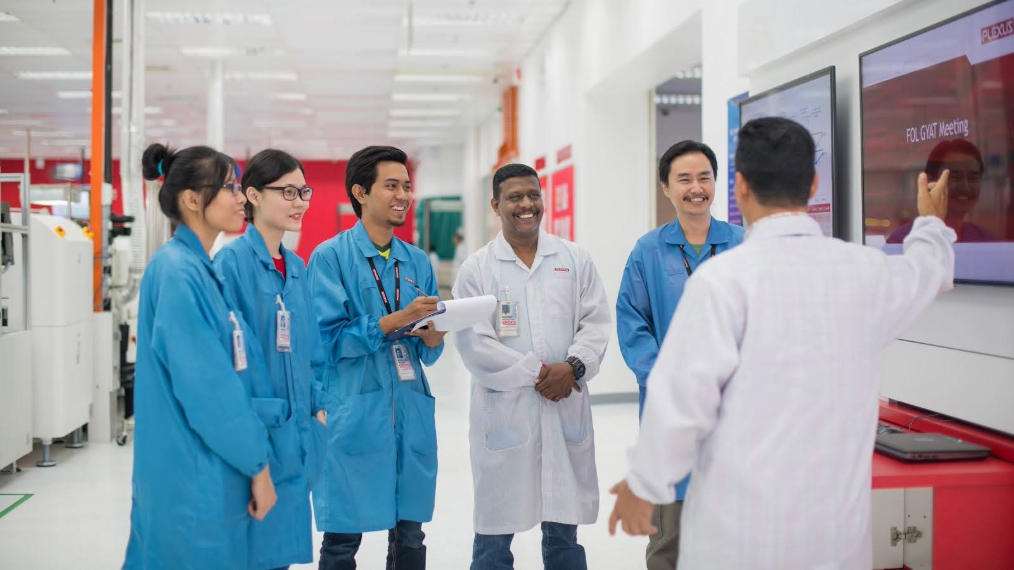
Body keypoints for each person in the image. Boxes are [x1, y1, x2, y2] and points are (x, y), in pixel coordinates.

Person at [608, 117, 955, 570]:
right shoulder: (867, 272)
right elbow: (927, 272)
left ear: (739, 187)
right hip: (834, 543)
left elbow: (680, 406)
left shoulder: (723, 280)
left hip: (738, 542)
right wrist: (930, 224)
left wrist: (644, 484)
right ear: (812, 183)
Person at [123, 144, 277, 569]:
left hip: (209, 467)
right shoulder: (177, 272)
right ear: (192, 200)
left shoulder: (200, 268)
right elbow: (210, 391)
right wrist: (258, 466)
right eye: (229, 187)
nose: (241, 196)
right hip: (190, 479)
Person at [453, 163, 611, 570]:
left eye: (533, 195)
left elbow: (595, 321)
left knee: (564, 534)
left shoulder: (573, 258)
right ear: (496, 205)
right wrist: (542, 374)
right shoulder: (477, 269)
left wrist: (573, 366)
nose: (527, 205)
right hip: (506, 416)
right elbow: (475, 343)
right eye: (515, 197)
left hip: (563, 411)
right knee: (493, 537)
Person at [307, 145, 447, 570]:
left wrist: (436, 336)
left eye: (406, 185)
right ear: (361, 192)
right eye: (391, 185)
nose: (403, 194)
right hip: (355, 410)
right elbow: (327, 342)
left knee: (410, 533)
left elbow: (426, 354)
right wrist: (394, 320)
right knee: (343, 537)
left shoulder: (416, 260)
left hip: (409, 409)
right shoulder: (330, 258)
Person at [615, 140, 745, 570]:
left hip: (735, 408)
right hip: (670, 412)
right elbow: (633, 324)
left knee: (733, 529)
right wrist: (666, 382)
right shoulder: (648, 251)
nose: (696, 188)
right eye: (684, 179)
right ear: (666, 188)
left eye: (704, 178)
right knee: (668, 534)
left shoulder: (743, 244)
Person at [214, 149, 329, 570]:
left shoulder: (297, 268)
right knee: (251, 554)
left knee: (279, 554)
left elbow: (313, 351)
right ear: (253, 197)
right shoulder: (231, 265)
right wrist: (263, 422)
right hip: (257, 437)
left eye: (304, 191)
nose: (299, 201)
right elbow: (231, 364)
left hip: (297, 435)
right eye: (287, 191)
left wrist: (318, 411)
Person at [887, 138, 998, 243]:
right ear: (930, 181)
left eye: (973, 178)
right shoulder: (902, 241)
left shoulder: (988, 242)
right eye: (955, 177)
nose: (966, 186)